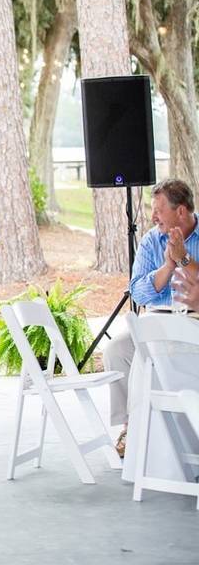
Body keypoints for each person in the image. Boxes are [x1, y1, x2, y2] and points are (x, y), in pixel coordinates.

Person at [104, 179, 199, 456]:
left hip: (193, 320)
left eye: (159, 210)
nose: (153, 216)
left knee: (166, 356)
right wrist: (167, 267)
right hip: (156, 321)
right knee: (117, 350)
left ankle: (182, 426)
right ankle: (131, 425)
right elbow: (138, 291)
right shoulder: (150, 240)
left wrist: (183, 259)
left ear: (180, 211)